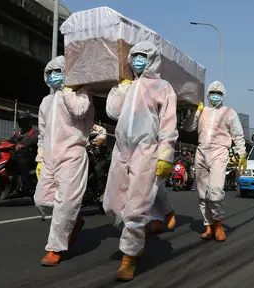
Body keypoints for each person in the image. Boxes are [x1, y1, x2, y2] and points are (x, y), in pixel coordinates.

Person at [103, 40, 178, 281]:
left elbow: (168, 125)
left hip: (147, 151)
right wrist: (120, 88)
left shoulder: (163, 87)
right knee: (111, 205)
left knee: (135, 207)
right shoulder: (127, 86)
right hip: (121, 150)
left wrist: (165, 156)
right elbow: (112, 113)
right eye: (134, 56)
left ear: (152, 59)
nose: (137, 60)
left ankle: (129, 257)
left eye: (142, 56)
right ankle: (139, 232)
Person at [33, 55, 95, 266]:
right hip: (50, 157)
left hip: (72, 155)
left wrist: (69, 88)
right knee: (41, 200)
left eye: (58, 71)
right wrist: (40, 158)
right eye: (49, 73)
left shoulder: (82, 93)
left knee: (65, 203)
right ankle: (74, 220)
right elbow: (42, 133)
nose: (53, 76)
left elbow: (79, 111)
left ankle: (55, 248)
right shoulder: (46, 101)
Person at [183, 81, 247, 242]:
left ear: (223, 95)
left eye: (218, 93)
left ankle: (218, 223)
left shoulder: (229, 113)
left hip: (219, 153)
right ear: (208, 94)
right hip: (201, 152)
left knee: (216, 191)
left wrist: (242, 155)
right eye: (212, 92)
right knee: (203, 193)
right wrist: (196, 113)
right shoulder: (202, 110)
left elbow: (238, 136)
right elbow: (188, 127)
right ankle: (208, 225)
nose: (215, 95)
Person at [8, 111, 38, 196]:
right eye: (20, 121)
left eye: (23, 121)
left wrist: (23, 145)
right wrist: (1, 145)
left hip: (31, 156)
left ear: (28, 122)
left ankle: (26, 185)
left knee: (23, 161)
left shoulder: (34, 132)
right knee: (7, 160)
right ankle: (10, 183)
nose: (21, 123)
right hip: (18, 155)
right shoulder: (18, 133)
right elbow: (10, 141)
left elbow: (33, 140)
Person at [89, 122, 108, 196]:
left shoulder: (100, 129)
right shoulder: (82, 127)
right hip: (85, 153)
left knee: (98, 169)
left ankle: (100, 190)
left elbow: (101, 140)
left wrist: (93, 144)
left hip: (98, 156)